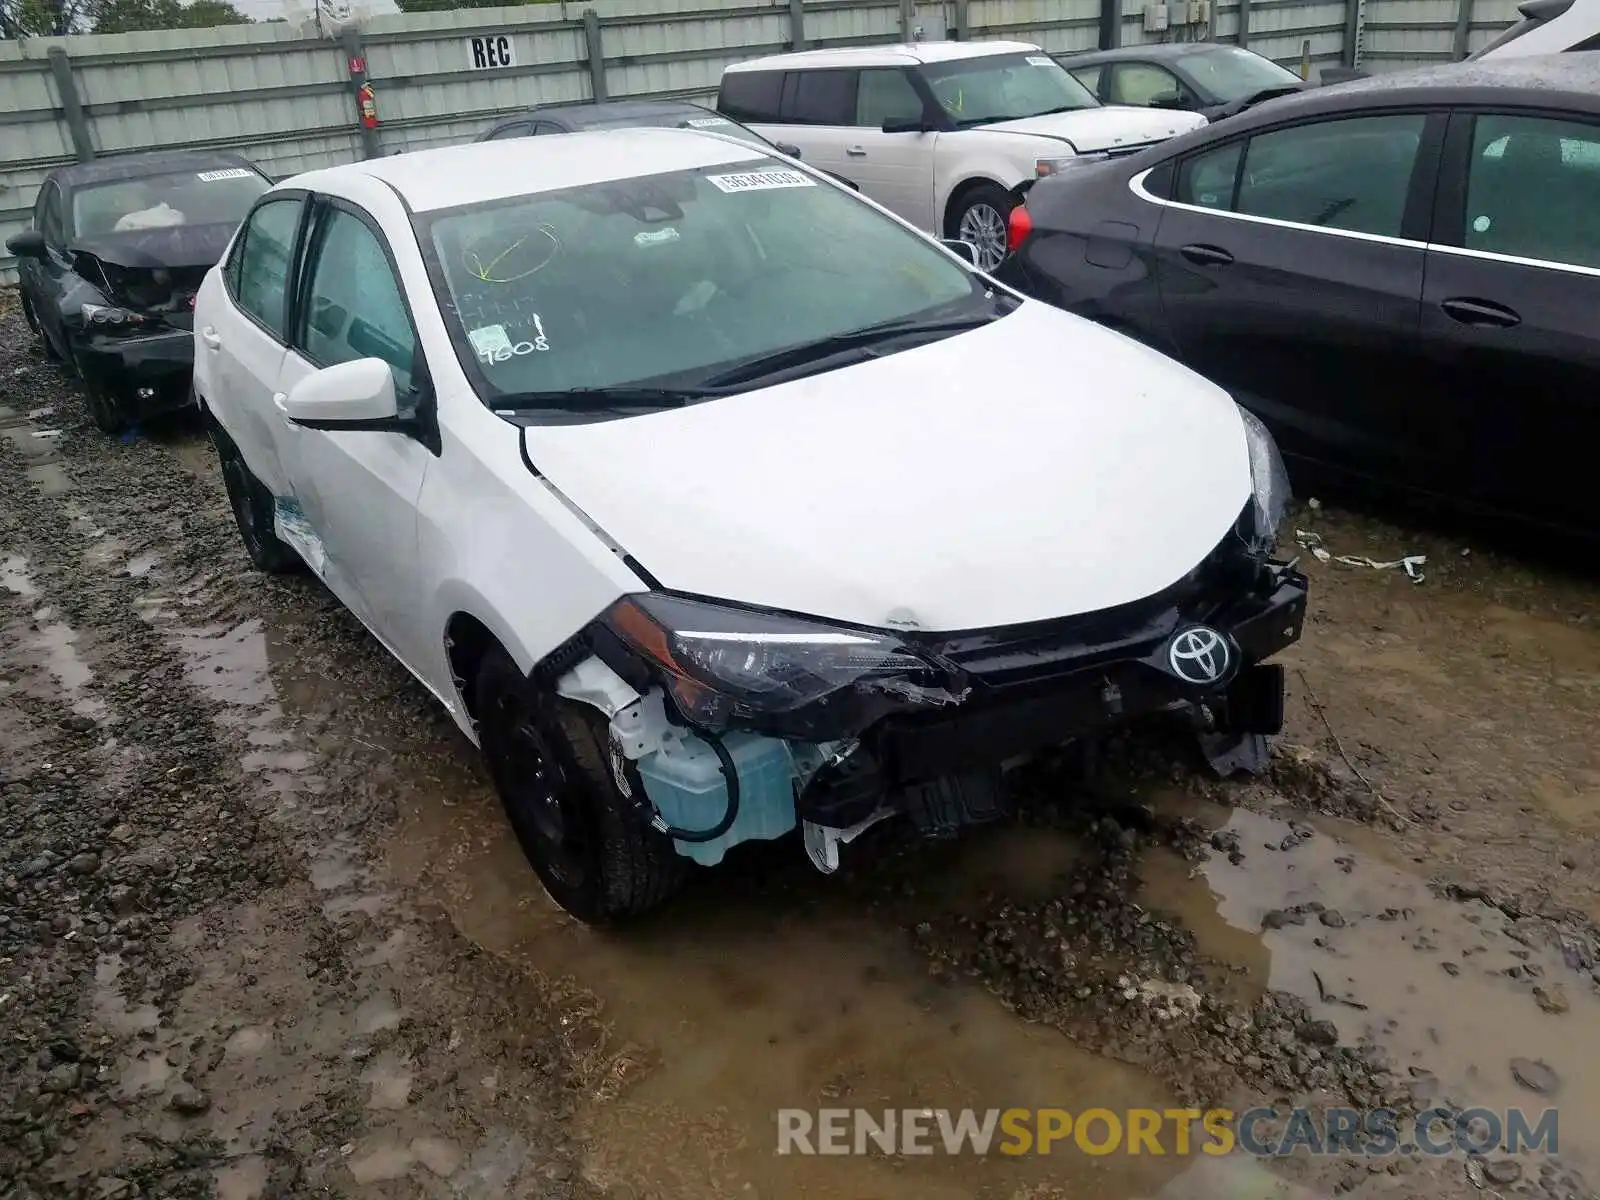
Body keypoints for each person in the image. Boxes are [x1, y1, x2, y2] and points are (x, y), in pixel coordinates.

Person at [113, 179, 185, 232]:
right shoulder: (177, 216)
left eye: (121, 198)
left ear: (136, 196)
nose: (117, 204)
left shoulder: (127, 222)